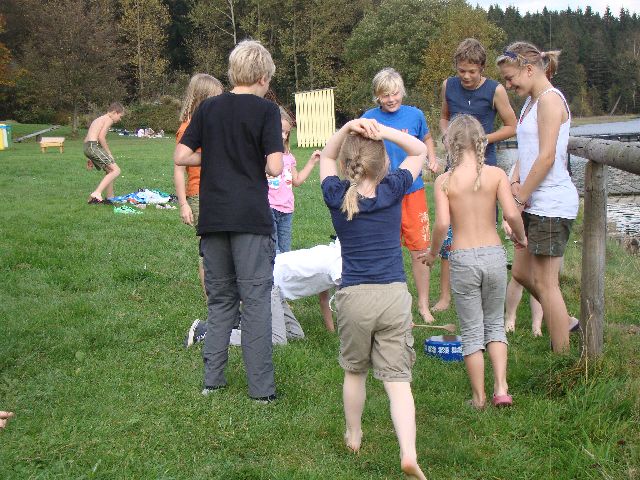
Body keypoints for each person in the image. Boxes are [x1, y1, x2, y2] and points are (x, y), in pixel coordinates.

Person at [174, 40, 283, 403]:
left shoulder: (209, 107)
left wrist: (216, 157)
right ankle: (261, 391)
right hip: (250, 218)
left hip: (214, 218)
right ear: (263, 77)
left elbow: (181, 155)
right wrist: (256, 157)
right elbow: (274, 167)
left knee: (220, 301)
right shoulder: (267, 110)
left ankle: (212, 382)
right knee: (255, 302)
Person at [321, 117, 428, 480]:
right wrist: (385, 132)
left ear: (346, 162)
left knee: (355, 372)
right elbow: (420, 150)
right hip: (393, 296)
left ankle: (354, 435)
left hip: (354, 298)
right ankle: (408, 452)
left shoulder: (335, 195)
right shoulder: (394, 187)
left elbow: (326, 156)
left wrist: (347, 127)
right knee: (398, 382)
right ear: (383, 164)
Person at [421, 114, 527, 410]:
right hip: (494, 255)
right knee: (494, 323)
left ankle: (479, 398)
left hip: (463, 258)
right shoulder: (496, 174)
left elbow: (442, 224)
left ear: (450, 144)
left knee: (471, 330)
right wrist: (521, 238)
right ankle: (501, 388)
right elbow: (512, 214)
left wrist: (433, 254)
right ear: (481, 142)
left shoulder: (445, 181)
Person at [497, 42, 579, 353]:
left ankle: (564, 356)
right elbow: (528, 153)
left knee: (546, 284)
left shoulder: (550, 101)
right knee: (520, 272)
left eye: (510, 78)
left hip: (551, 204)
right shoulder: (530, 103)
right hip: (533, 200)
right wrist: (515, 178)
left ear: (529, 70)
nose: (508, 85)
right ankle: (564, 320)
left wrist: (519, 200)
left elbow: (546, 158)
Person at [434, 38, 518, 313]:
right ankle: (446, 295)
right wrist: (448, 134)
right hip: (455, 165)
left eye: (472, 71)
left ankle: (484, 286)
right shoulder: (448, 85)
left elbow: (511, 126)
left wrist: (483, 139)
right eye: (462, 71)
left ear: (482, 68)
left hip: (484, 165)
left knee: (483, 224)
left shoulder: (495, 90)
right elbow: (444, 117)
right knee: (450, 229)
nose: (466, 76)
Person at [361, 68, 438, 324]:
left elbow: (427, 138)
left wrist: (432, 157)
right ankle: (390, 304)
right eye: (385, 95)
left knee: (420, 250)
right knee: (386, 249)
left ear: (402, 92)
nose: (391, 99)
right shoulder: (369, 118)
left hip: (413, 192)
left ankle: (423, 304)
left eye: (395, 93)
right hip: (382, 193)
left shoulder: (415, 115)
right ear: (377, 96)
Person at [184, 238, 342, 347]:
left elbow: (324, 300)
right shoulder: (338, 263)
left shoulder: (330, 254)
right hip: (266, 284)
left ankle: (243, 323)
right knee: (278, 340)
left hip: (272, 285)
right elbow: (347, 308)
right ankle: (208, 331)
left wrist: (331, 332)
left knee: (295, 334)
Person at [173, 73, 224, 298]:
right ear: (203, 99)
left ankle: (221, 293)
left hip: (217, 192)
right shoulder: (187, 128)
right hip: (199, 195)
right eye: (216, 98)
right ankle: (211, 298)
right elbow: (178, 168)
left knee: (220, 246)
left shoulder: (211, 126)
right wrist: (183, 204)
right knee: (208, 248)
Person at [268, 107, 321, 253]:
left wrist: (311, 162)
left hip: (287, 210)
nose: (284, 136)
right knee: (273, 250)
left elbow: (296, 180)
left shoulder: (289, 157)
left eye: (287, 133)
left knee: (285, 251)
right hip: (269, 208)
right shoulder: (264, 154)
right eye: (280, 131)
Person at [84, 102, 125, 203]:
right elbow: (101, 137)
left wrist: (90, 158)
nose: (120, 119)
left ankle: (110, 197)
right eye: (120, 116)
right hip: (93, 147)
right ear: (114, 112)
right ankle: (97, 193)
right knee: (116, 170)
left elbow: (86, 140)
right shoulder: (108, 119)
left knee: (110, 170)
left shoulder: (97, 119)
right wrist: (109, 153)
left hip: (87, 147)